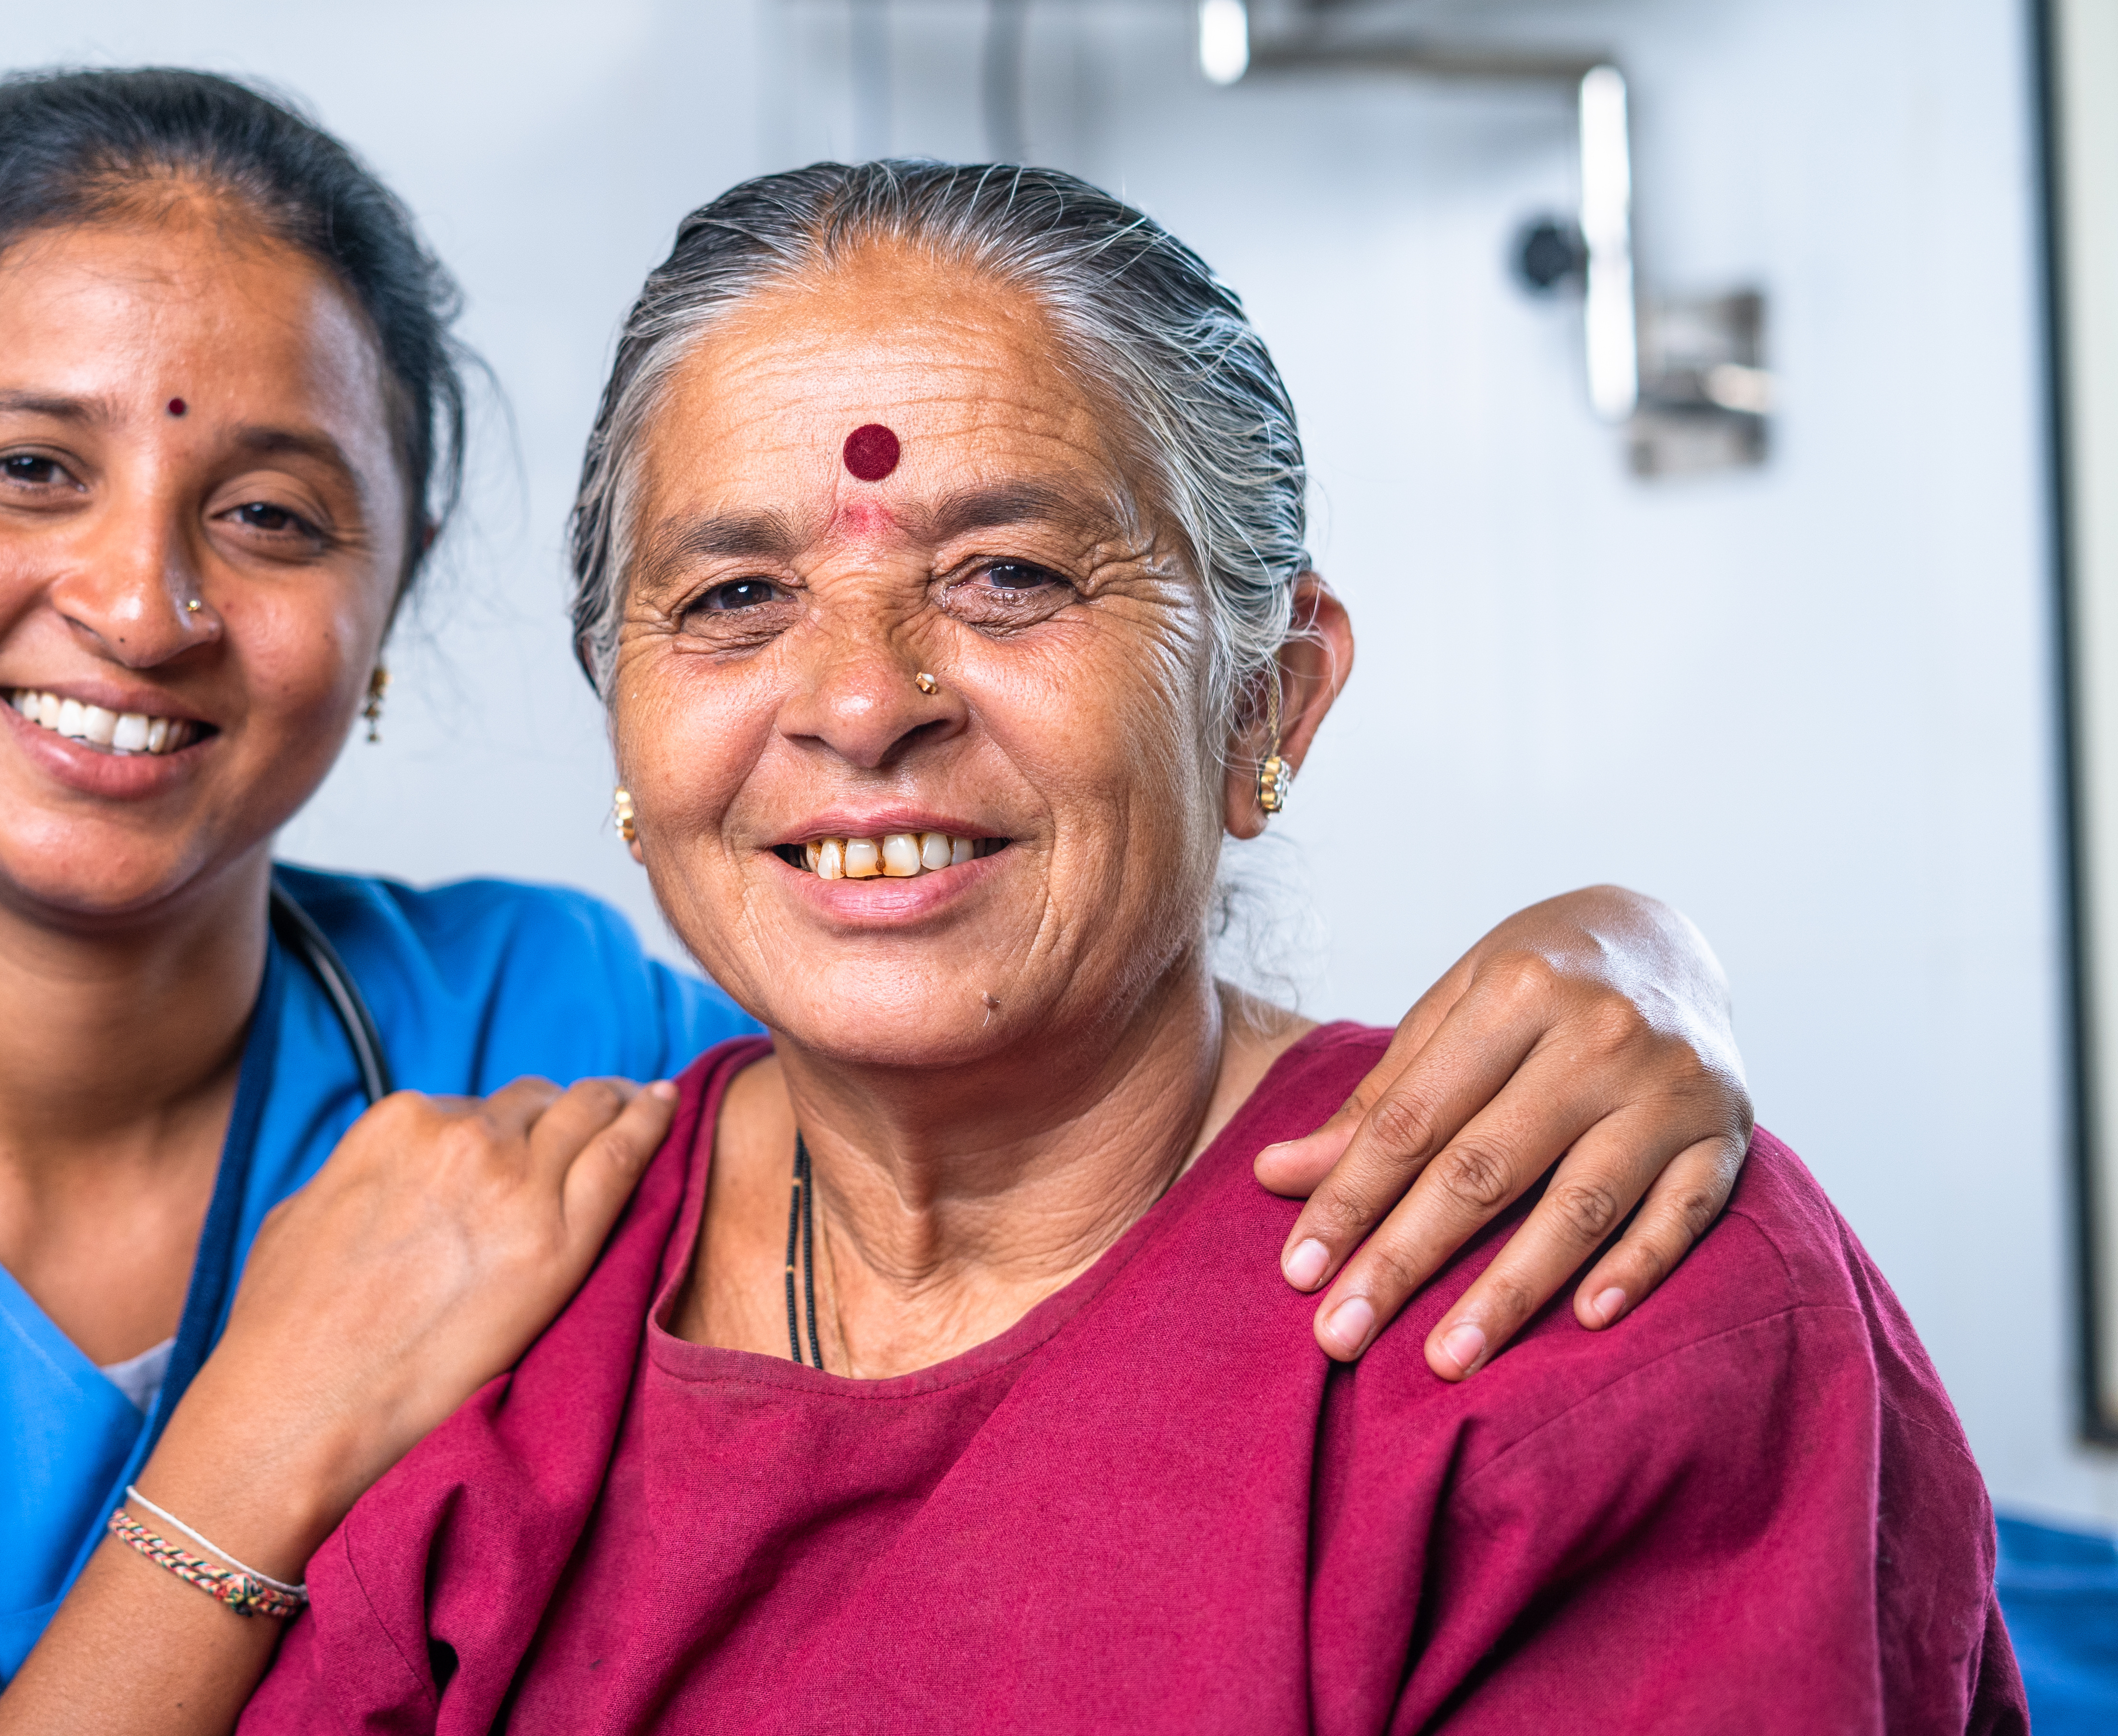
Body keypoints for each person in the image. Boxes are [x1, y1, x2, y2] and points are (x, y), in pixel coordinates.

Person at [0, 73, 1754, 1736]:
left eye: (276, 515)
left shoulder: (568, 1040)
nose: (144, 598)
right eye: (21, 468)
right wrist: (257, 1437)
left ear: (397, 609)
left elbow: (1039, 1043)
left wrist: (1641, 958)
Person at [210, 163, 2023, 1731]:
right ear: (624, 725)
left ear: (1268, 702)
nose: (859, 702)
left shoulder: (1586, 1288)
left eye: (1010, 575)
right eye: (738, 596)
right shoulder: (501, 1307)